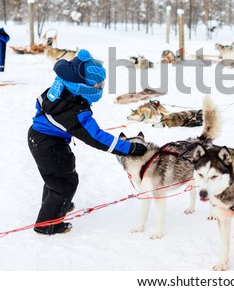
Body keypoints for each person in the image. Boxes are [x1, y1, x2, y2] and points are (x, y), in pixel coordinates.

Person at [28, 49, 146, 235]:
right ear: (84, 86)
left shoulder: (63, 85)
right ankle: (47, 225)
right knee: (65, 184)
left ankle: (57, 205)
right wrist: (128, 148)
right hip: (47, 143)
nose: (101, 87)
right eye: (98, 85)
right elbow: (96, 136)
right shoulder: (75, 112)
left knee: (57, 176)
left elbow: (41, 103)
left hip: (42, 137)